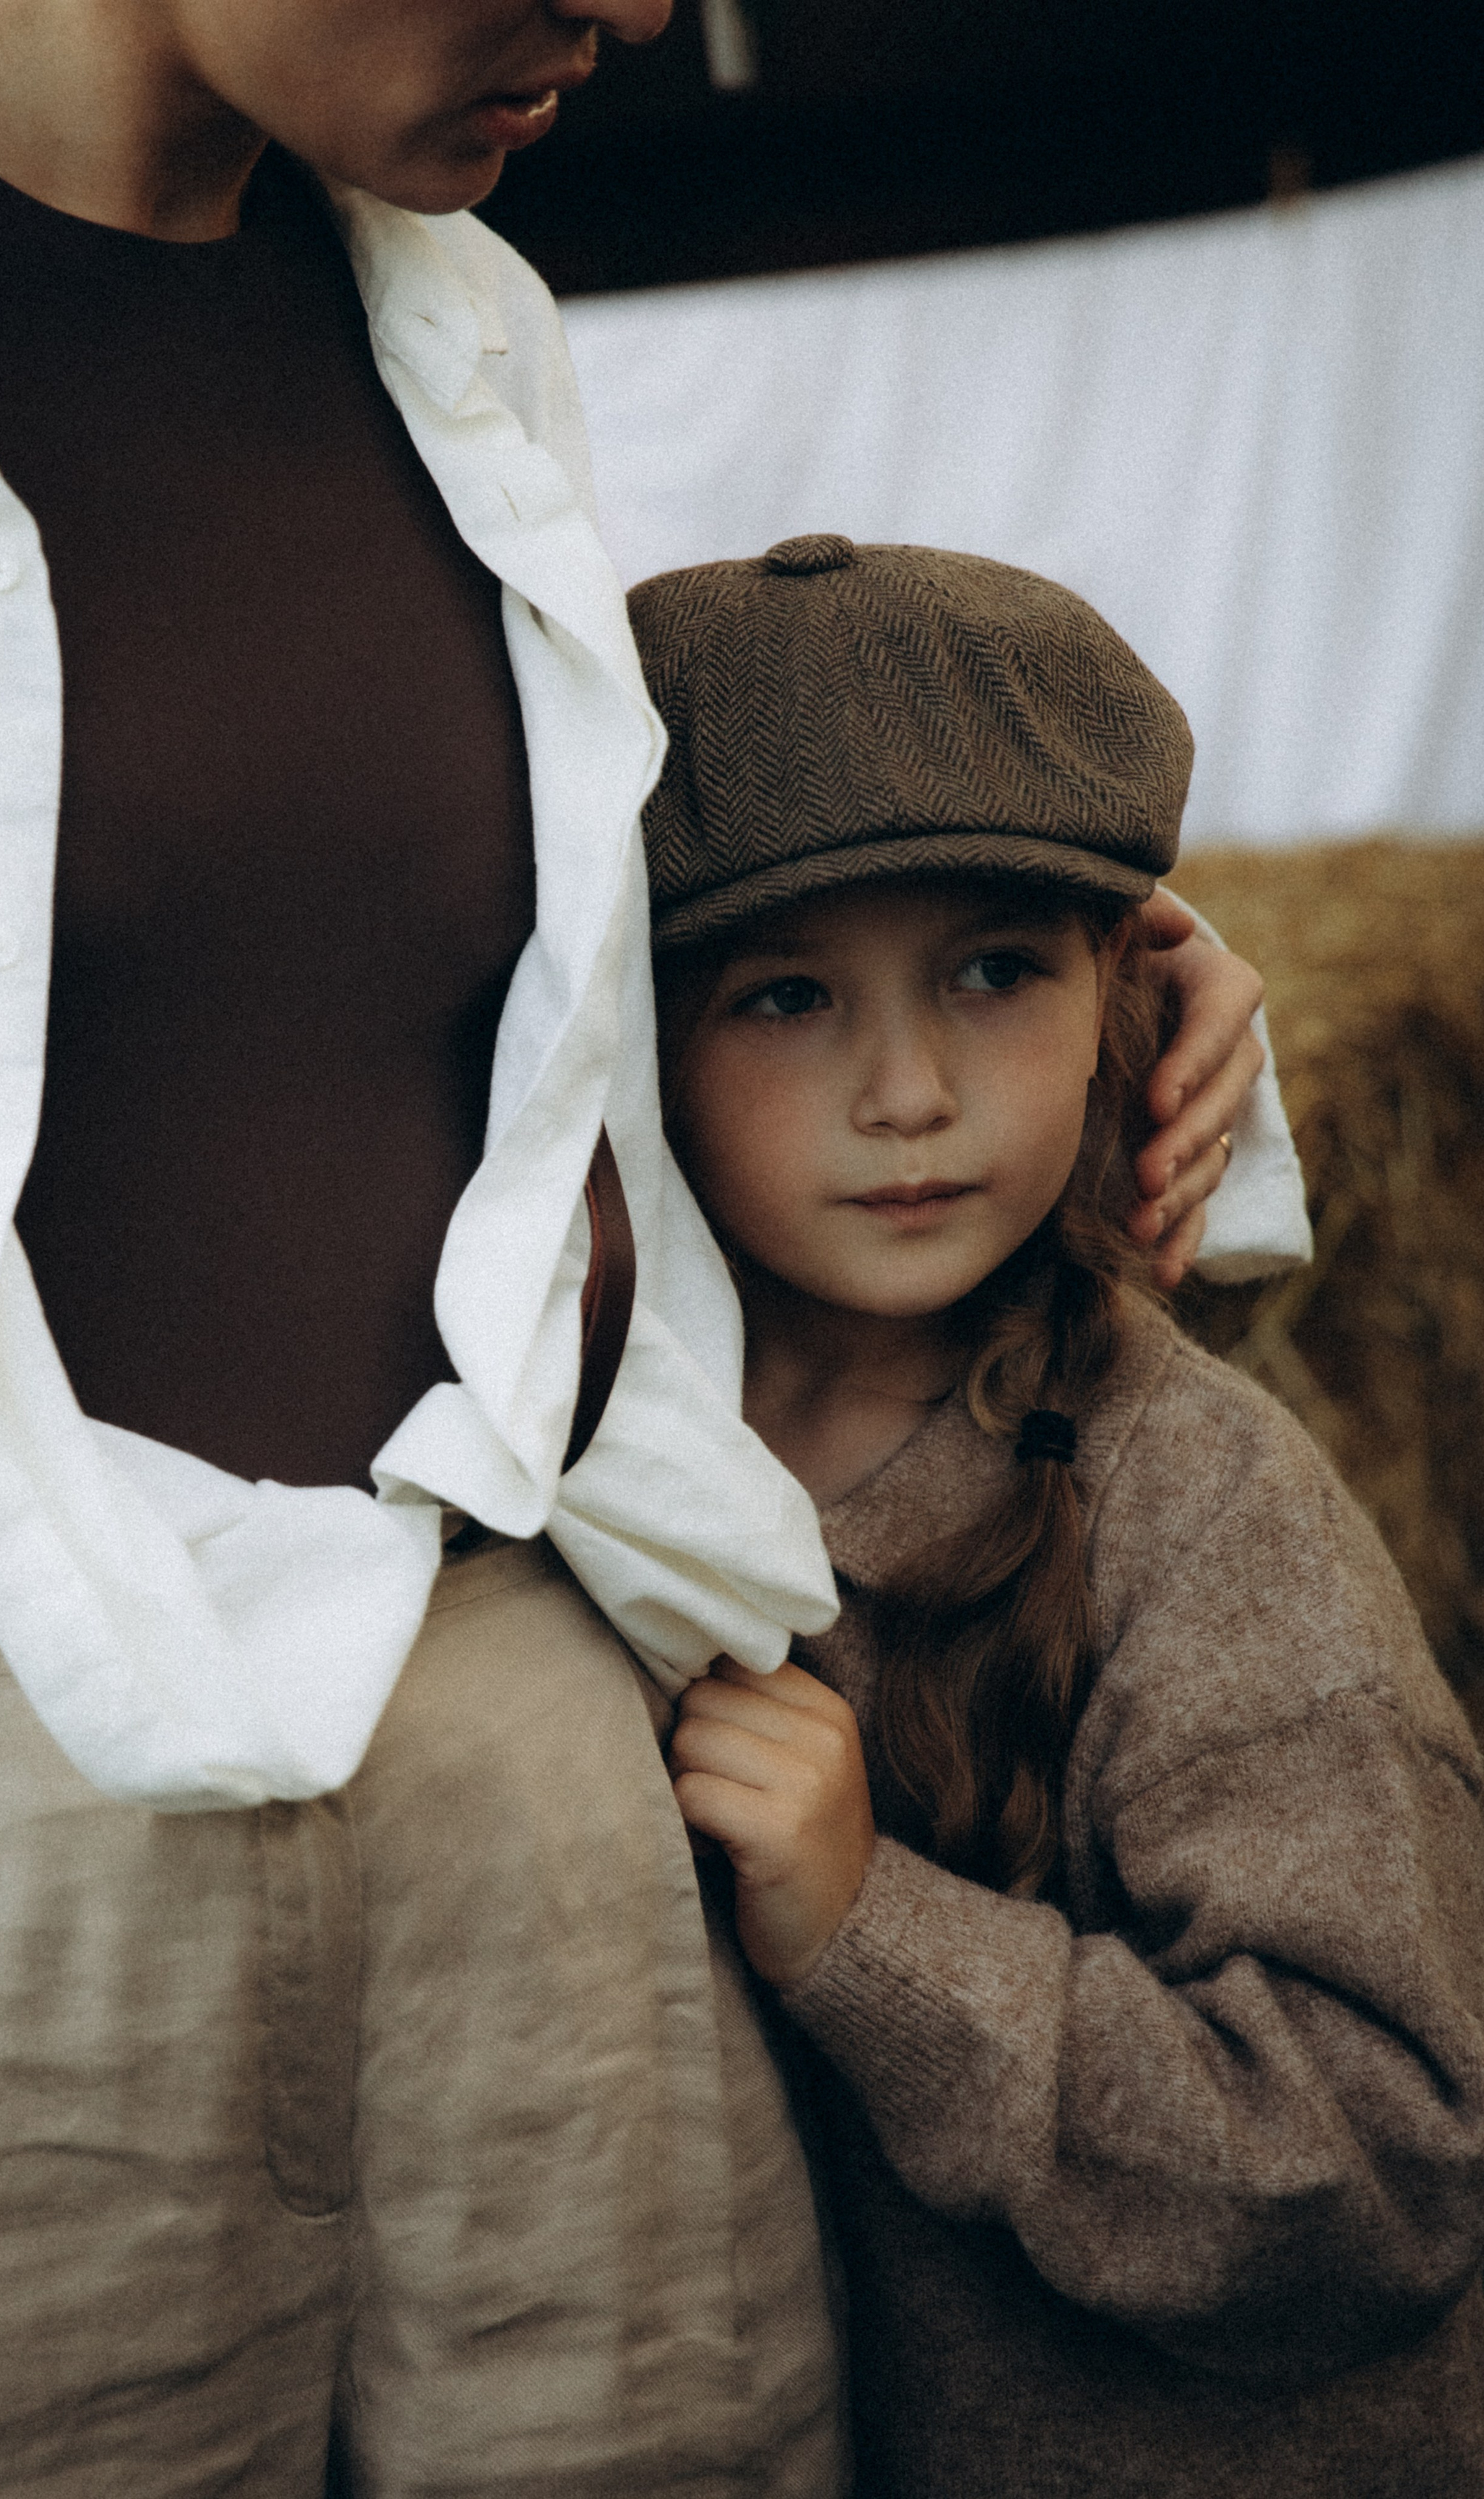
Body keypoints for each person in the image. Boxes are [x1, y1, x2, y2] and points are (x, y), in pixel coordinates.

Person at [0, 0, 1302, 2485]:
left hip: (526, 1749)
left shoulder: (452, 303)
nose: (634, 13)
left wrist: (1086, 944)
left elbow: (515, 992)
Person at [632, 534, 1484, 2498]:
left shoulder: (1202, 1512)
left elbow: (1383, 2166)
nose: (910, 1090)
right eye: (783, 997)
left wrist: (878, 1937)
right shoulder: (588, 1480)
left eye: (995, 972)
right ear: (623, 1043)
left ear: (1131, 993)